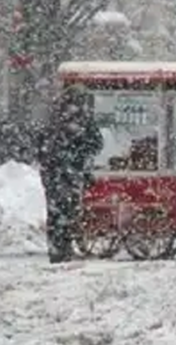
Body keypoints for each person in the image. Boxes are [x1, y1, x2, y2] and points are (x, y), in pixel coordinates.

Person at [37, 85, 103, 264]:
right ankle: (64, 245)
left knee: (55, 211)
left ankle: (57, 248)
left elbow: (40, 144)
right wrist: (80, 157)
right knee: (69, 210)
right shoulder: (82, 120)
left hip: (54, 173)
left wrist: (48, 163)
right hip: (71, 173)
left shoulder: (53, 120)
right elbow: (96, 144)